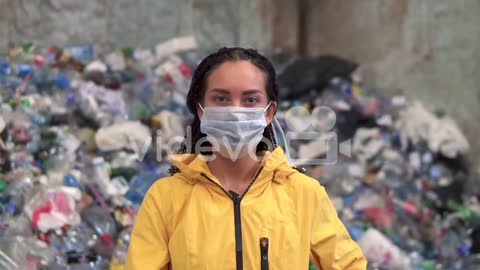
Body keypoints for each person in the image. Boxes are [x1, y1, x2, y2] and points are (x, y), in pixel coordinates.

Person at [126, 47, 367, 270]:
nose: (235, 111)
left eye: (250, 100)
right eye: (221, 99)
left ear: (269, 112)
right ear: (201, 111)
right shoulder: (166, 198)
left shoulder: (303, 194)